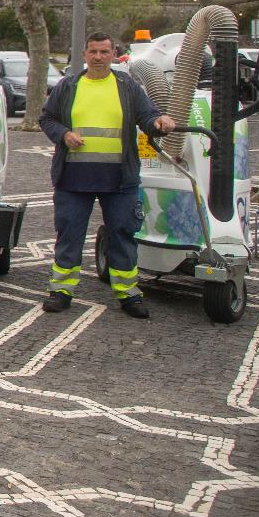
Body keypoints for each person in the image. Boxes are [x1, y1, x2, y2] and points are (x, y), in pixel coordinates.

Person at [39, 31, 174, 318]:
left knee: (123, 234)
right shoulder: (68, 86)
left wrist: (159, 122)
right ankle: (61, 290)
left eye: (104, 52)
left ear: (113, 54)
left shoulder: (127, 86)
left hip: (119, 181)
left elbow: (147, 116)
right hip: (73, 180)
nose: (98, 57)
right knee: (69, 235)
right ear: (84, 55)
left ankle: (127, 293)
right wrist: (63, 134)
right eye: (93, 52)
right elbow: (47, 118)